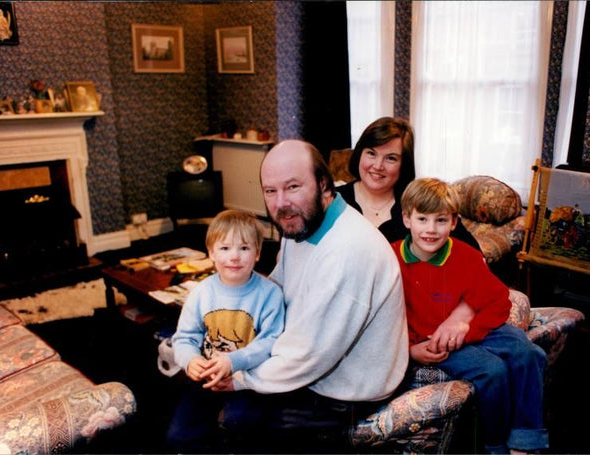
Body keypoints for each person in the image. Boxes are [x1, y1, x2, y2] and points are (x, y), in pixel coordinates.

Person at [210, 139, 409, 451]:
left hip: (348, 392)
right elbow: (277, 290)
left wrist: (239, 377)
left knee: (232, 421)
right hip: (316, 364)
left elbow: (310, 354)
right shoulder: (303, 224)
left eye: (292, 187)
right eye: (270, 191)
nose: (280, 203)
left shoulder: (348, 250)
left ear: (325, 185)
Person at [391, 177, 548, 454]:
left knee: (530, 353)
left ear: (453, 222)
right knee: (492, 370)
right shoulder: (391, 260)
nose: (431, 229)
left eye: (440, 220)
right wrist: (410, 350)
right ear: (406, 219)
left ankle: (526, 439)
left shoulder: (465, 255)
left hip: (475, 329)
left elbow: (498, 298)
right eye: (422, 219)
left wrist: (467, 325)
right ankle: (495, 445)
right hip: (436, 342)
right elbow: (382, 321)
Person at [167, 209, 285, 452]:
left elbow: (271, 341)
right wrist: (191, 361)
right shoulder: (201, 292)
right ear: (211, 253)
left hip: (247, 379)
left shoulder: (270, 293)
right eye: (224, 248)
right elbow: (185, 338)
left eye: (244, 248)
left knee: (240, 428)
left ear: (257, 254)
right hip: (208, 377)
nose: (234, 257)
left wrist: (234, 362)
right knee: (178, 436)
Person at [336, 116, 482, 252]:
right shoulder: (333, 200)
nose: (378, 166)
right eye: (371, 153)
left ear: (404, 164)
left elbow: (473, 253)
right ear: (359, 154)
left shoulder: (419, 200)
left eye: (391, 158)